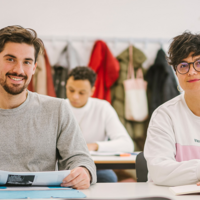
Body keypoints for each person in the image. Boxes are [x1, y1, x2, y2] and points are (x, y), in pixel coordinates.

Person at [0, 25, 96, 189]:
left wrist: (84, 172)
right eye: (10, 59)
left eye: (27, 62)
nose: (19, 70)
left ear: (34, 67)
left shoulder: (57, 109)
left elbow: (80, 158)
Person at [144, 32, 200, 187]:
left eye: (198, 63)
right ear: (176, 73)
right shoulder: (164, 115)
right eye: (183, 65)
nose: (192, 71)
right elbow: (159, 172)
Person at [65, 66, 134, 182]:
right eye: (71, 90)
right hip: (65, 165)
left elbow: (127, 144)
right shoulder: (59, 107)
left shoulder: (103, 108)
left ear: (92, 91)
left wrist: (94, 146)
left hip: (95, 166)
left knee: (109, 178)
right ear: (66, 86)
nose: (75, 96)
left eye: (82, 92)